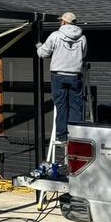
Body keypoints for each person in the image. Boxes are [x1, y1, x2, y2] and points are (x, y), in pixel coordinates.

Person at [36, 11, 87, 142]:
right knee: (76, 106)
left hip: (58, 76)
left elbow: (43, 53)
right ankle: (76, 136)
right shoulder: (82, 38)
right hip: (75, 76)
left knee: (61, 106)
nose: (60, 23)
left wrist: (38, 46)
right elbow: (83, 53)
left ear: (64, 22)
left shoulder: (56, 35)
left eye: (61, 21)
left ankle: (62, 136)